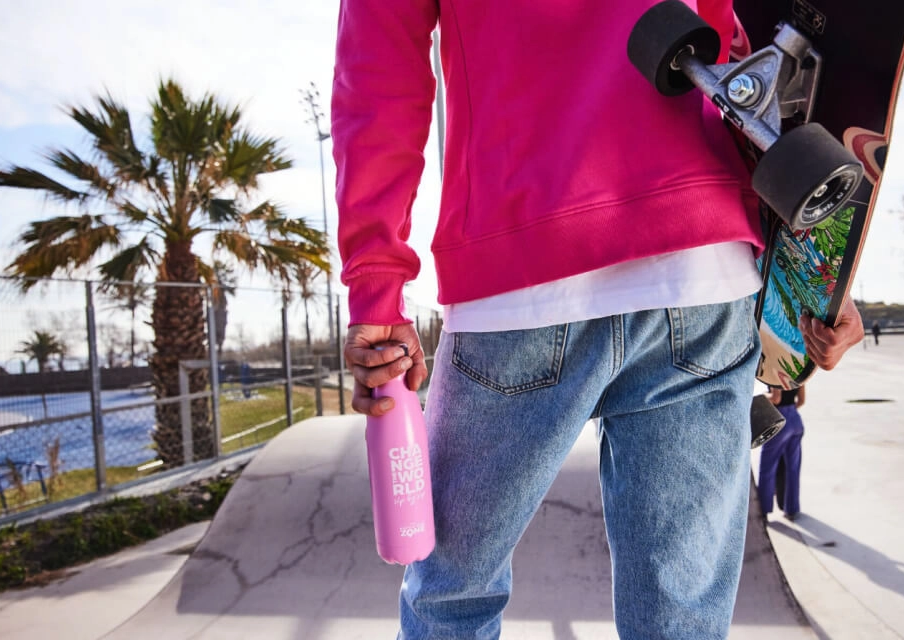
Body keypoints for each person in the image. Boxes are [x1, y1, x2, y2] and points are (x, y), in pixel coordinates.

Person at [332, 1, 865, 635]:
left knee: (451, 598)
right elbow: (745, 58)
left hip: (520, 268)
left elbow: (379, 72)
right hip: (701, 268)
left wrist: (377, 287)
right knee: (681, 616)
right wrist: (820, 263)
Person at [757, 384, 806, 520]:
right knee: (793, 468)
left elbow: (776, 398)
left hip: (779, 419)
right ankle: (791, 510)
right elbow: (801, 400)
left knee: (767, 468)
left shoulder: (776, 370)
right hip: (796, 420)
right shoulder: (798, 372)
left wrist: (758, 397)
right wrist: (790, 411)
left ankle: (763, 510)